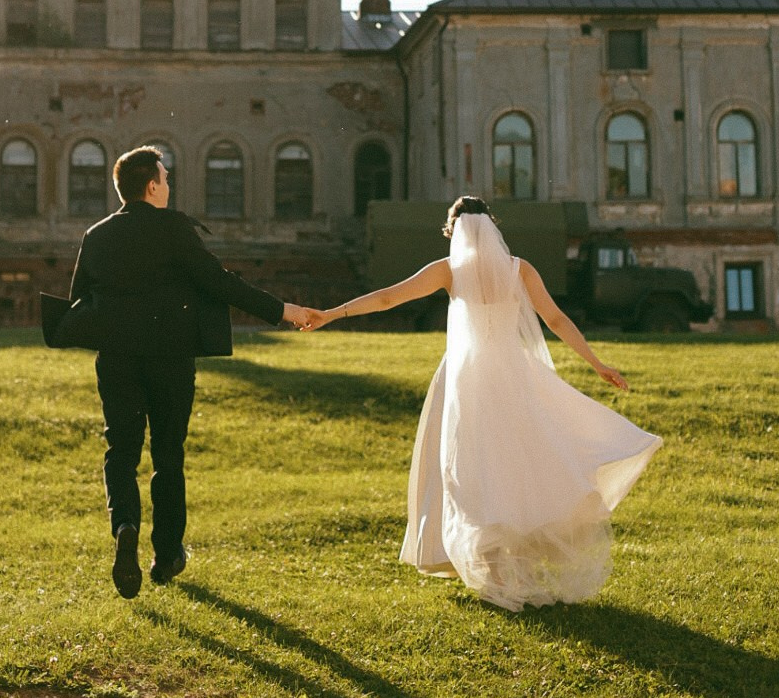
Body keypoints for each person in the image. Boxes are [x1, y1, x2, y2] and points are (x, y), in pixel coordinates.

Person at [308, 196, 661, 610]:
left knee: (474, 469)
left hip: (467, 378)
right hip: (515, 374)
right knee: (519, 464)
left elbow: (388, 298)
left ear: (453, 230)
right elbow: (557, 319)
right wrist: (596, 363)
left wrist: (331, 314)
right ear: (492, 227)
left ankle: (495, 570)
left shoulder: (449, 271)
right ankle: (516, 568)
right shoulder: (519, 269)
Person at [68, 145, 319, 599]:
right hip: (170, 358)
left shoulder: (96, 235)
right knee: (168, 455)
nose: (168, 187)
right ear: (151, 186)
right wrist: (282, 310)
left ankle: (124, 524)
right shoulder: (174, 231)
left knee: (120, 449)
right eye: (165, 180)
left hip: (117, 359)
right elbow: (219, 281)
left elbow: (79, 301)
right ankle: (166, 556)